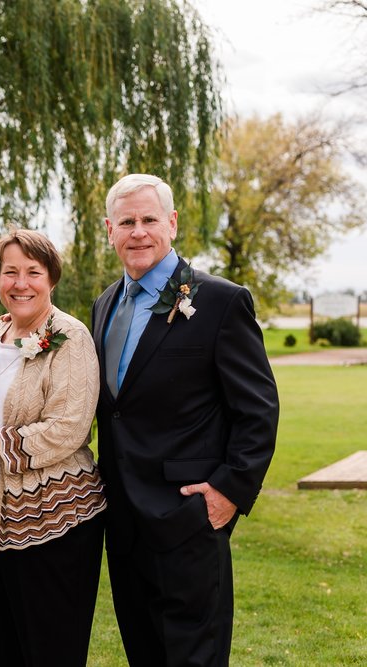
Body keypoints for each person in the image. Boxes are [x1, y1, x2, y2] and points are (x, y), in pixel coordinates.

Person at [92, 174, 278, 666]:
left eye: (149, 219)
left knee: (194, 656)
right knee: (143, 651)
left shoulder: (220, 300)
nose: (138, 232)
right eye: (126, 221)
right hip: (122, 520)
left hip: (189, 515)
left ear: (171, 223)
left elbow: (257, 409)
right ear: (109, 229)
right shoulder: (105, 304)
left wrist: (230, 491)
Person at [0, 228, 106, 666]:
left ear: (51, 278)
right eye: (10, 272)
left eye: (33, 271)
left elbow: (68, 429)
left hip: (52, 518)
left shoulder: (70, 337)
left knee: (51, 648)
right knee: (5, 646)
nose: (21, 282)